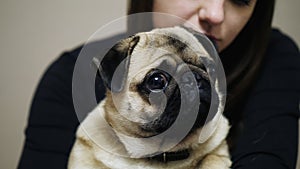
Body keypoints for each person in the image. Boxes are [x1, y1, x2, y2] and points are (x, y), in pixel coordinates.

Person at [18, 0, 300, 168]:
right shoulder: (68, 76)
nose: (215, 13)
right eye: (157, 80)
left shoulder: (277, 58)